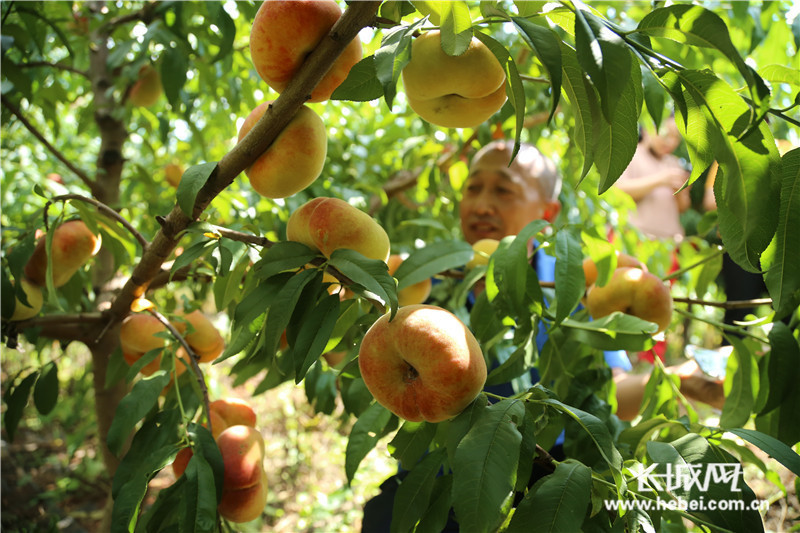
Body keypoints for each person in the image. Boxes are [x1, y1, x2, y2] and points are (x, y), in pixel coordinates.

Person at [361, 140, 723, 532]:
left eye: (503, 189)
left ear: (547, 212)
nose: (481, 204)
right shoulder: (422, 277)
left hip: (532, 480)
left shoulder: (579, 289)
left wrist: (679, 381)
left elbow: (607, 393)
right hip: (434, 482)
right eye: (472, 187)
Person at [614, 116, 691, 242]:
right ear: (648, 128)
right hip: (637, 237)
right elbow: (618, 190)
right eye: (666, 134)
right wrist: (661, 180)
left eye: (676, 137)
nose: (671, 142)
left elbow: (682, 208)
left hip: (670, 240)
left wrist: (681, 192)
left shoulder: (674, 163)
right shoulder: (630, 154)